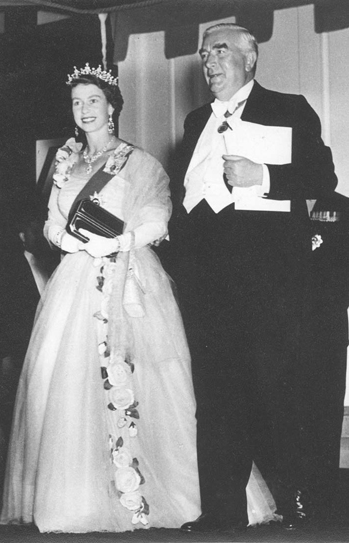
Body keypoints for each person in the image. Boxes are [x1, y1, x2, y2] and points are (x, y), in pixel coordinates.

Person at [0, 63, 201, 533]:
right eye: (77, 102)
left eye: (94, 100)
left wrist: (120, 242)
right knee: (63, 381)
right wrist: (65, 241)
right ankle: (76, 496)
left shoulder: (139, 161)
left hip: (129, 276)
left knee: (144, 380)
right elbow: (51, 220)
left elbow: (159, 218)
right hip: (74, 279)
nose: (85, 110)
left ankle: (152, 493)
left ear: (112, 108)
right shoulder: (63, 162)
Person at [170, 23, 338, 533]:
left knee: (277, 394)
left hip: (270, 284)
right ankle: (222, 509)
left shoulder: (289, 108)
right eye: (203, 53)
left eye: (219, 49)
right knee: (217, 398)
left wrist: (262, 175)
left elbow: (322, 183)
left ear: (251, 56)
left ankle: (299, 503)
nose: (208, 61)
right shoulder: (196, 119)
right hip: (208, 285)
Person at [0, 194, 57, 442]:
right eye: (36, 229)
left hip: (44, 356)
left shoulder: (55, 265)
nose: (43, 234)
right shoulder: (7, 272)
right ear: (22, 235)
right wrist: (5, 358)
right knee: (14, 419)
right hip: (18, 355)